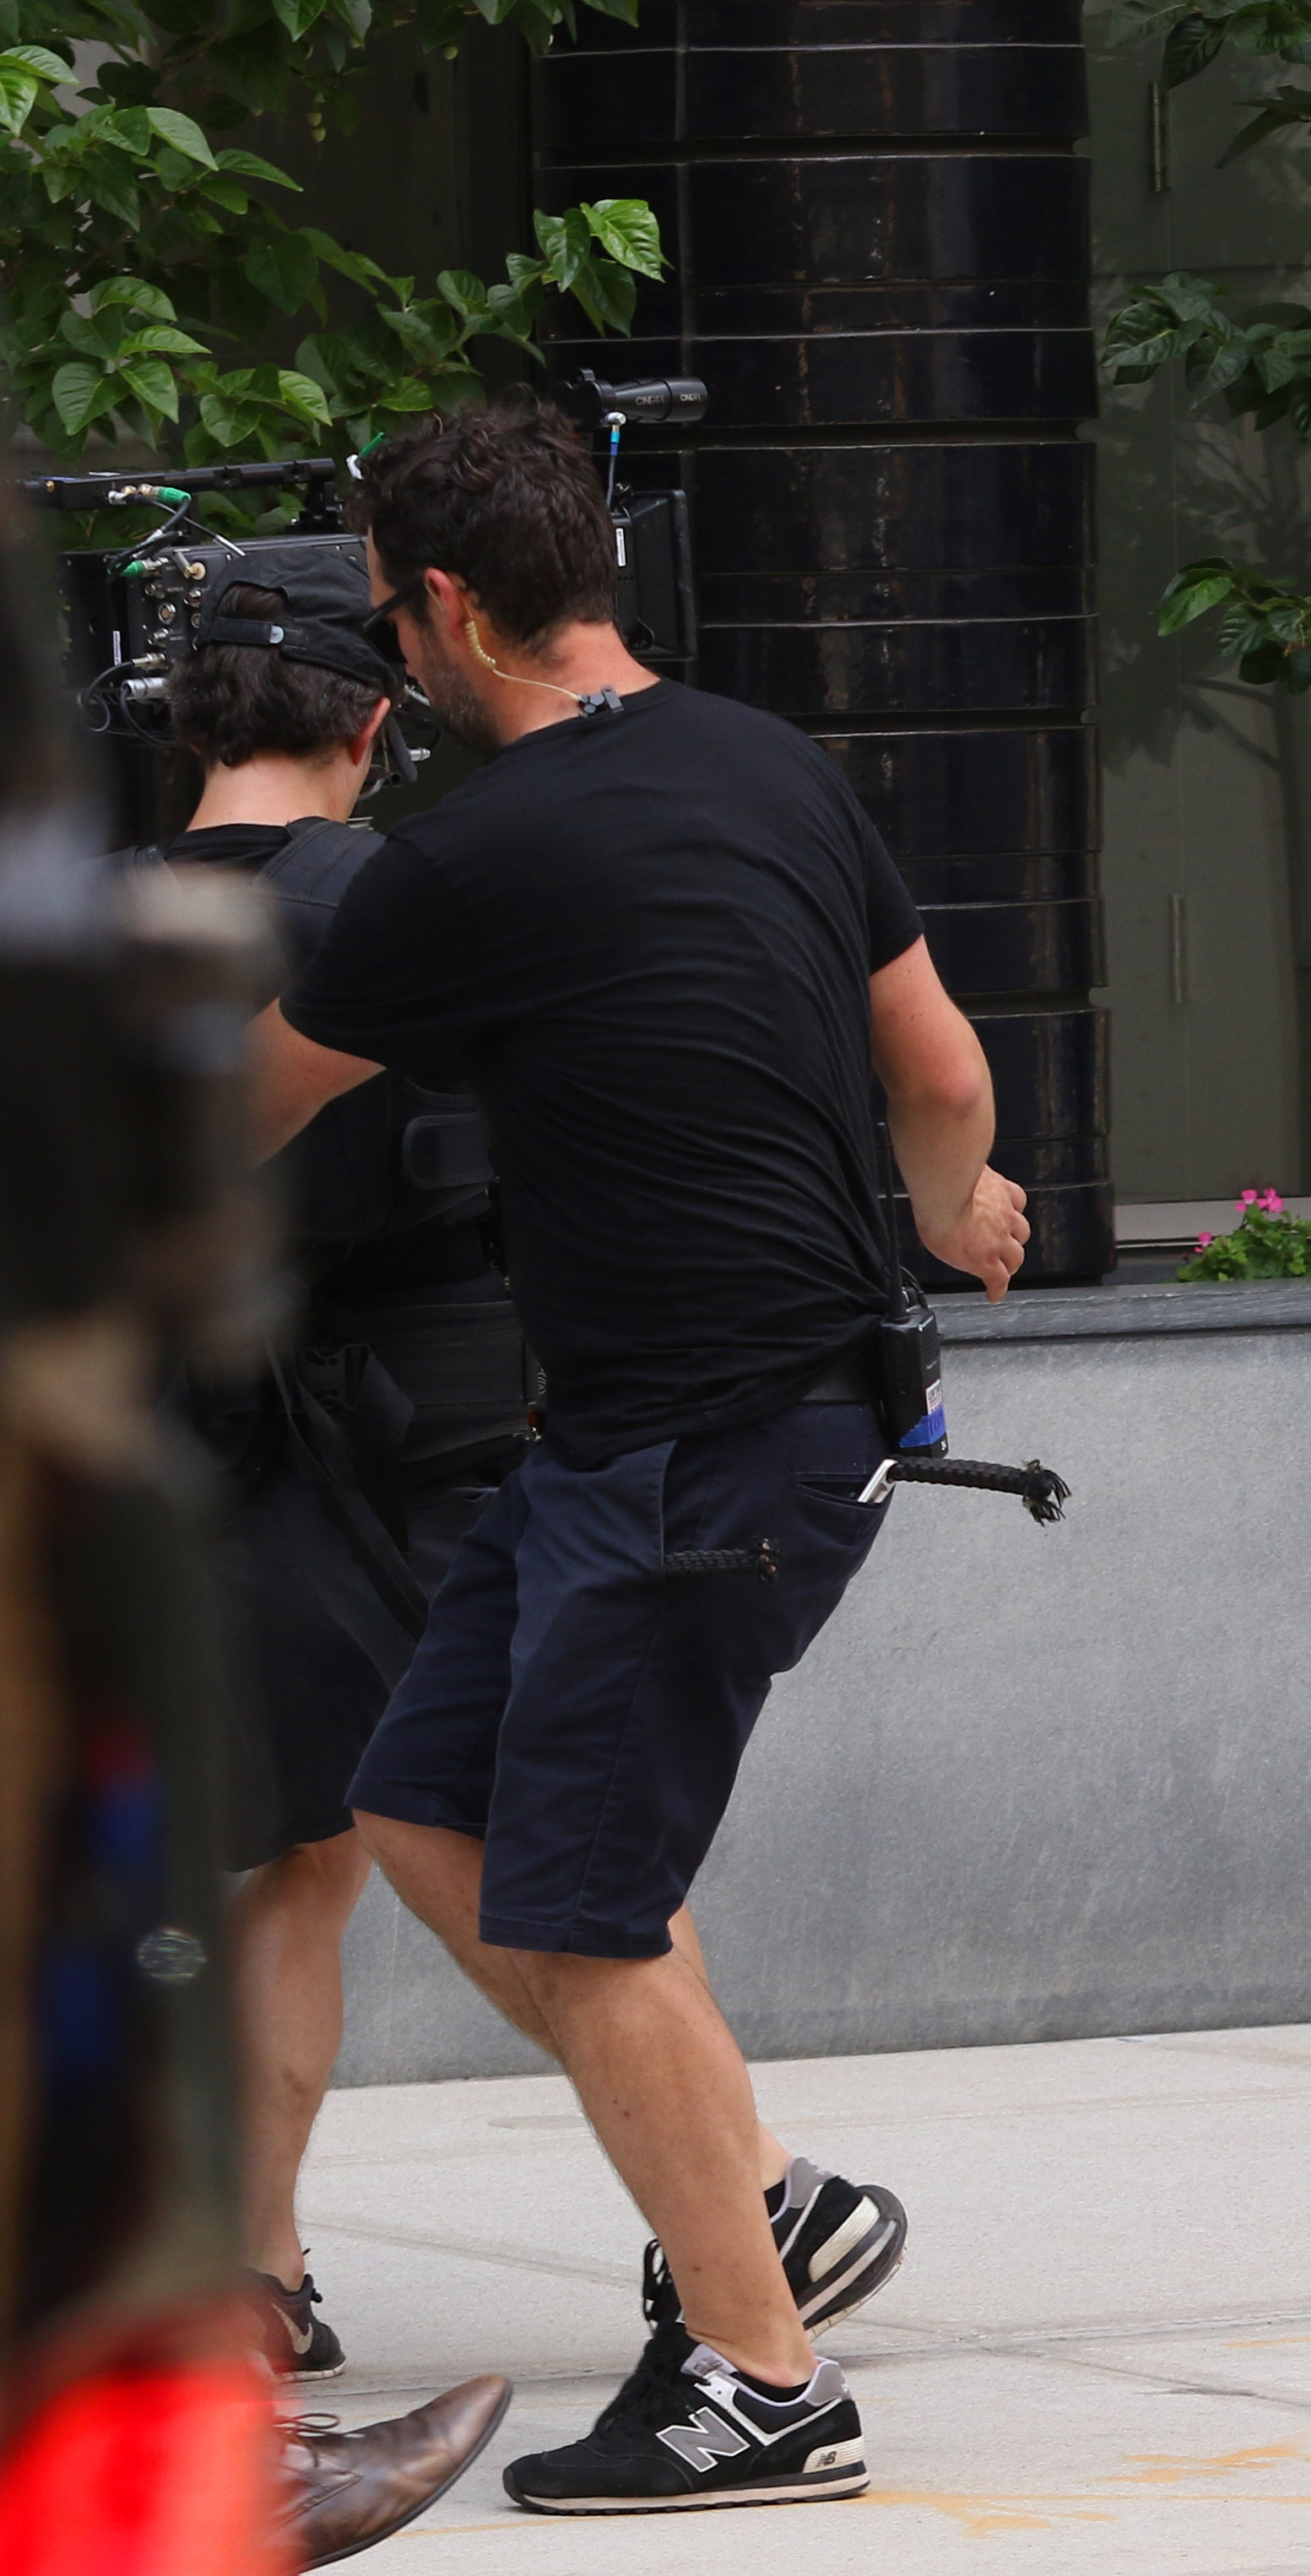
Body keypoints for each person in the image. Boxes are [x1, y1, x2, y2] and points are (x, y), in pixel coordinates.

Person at [245, 394, 1029, 2514]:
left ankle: (764, 2384)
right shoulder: (772, 763)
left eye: (390, 617)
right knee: (423, 1797)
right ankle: (749, 2199)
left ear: (443, 605)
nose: (394, 655)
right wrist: (944, 1207)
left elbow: (236, 1113)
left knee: (589, 1913)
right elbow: (945, 1070)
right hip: (686, 1430)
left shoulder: (468, 857)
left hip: (705, 1454)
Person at [142, 553, 530, 2390]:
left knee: (259, 1854)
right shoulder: (404, 897)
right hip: (390, 1441)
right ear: (373, 723)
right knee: (423, 1838)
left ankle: (241, 2270)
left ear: (188, 722)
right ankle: (745, 2196)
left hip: (126, 1440)